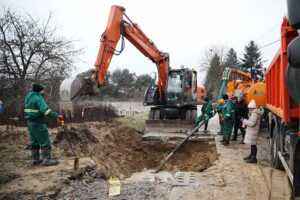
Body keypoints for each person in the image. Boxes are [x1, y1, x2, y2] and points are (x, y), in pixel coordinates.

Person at [24, 84, 63, 166]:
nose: (44, 92)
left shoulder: (28, 97)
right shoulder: (38, 98)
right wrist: (57, 116)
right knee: (45, 142)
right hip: (38, 123)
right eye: (43, 90)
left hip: (30, 123)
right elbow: (46, 111)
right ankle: (46, 159)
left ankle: (36, 159)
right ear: (39, 91)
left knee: (34, 142)